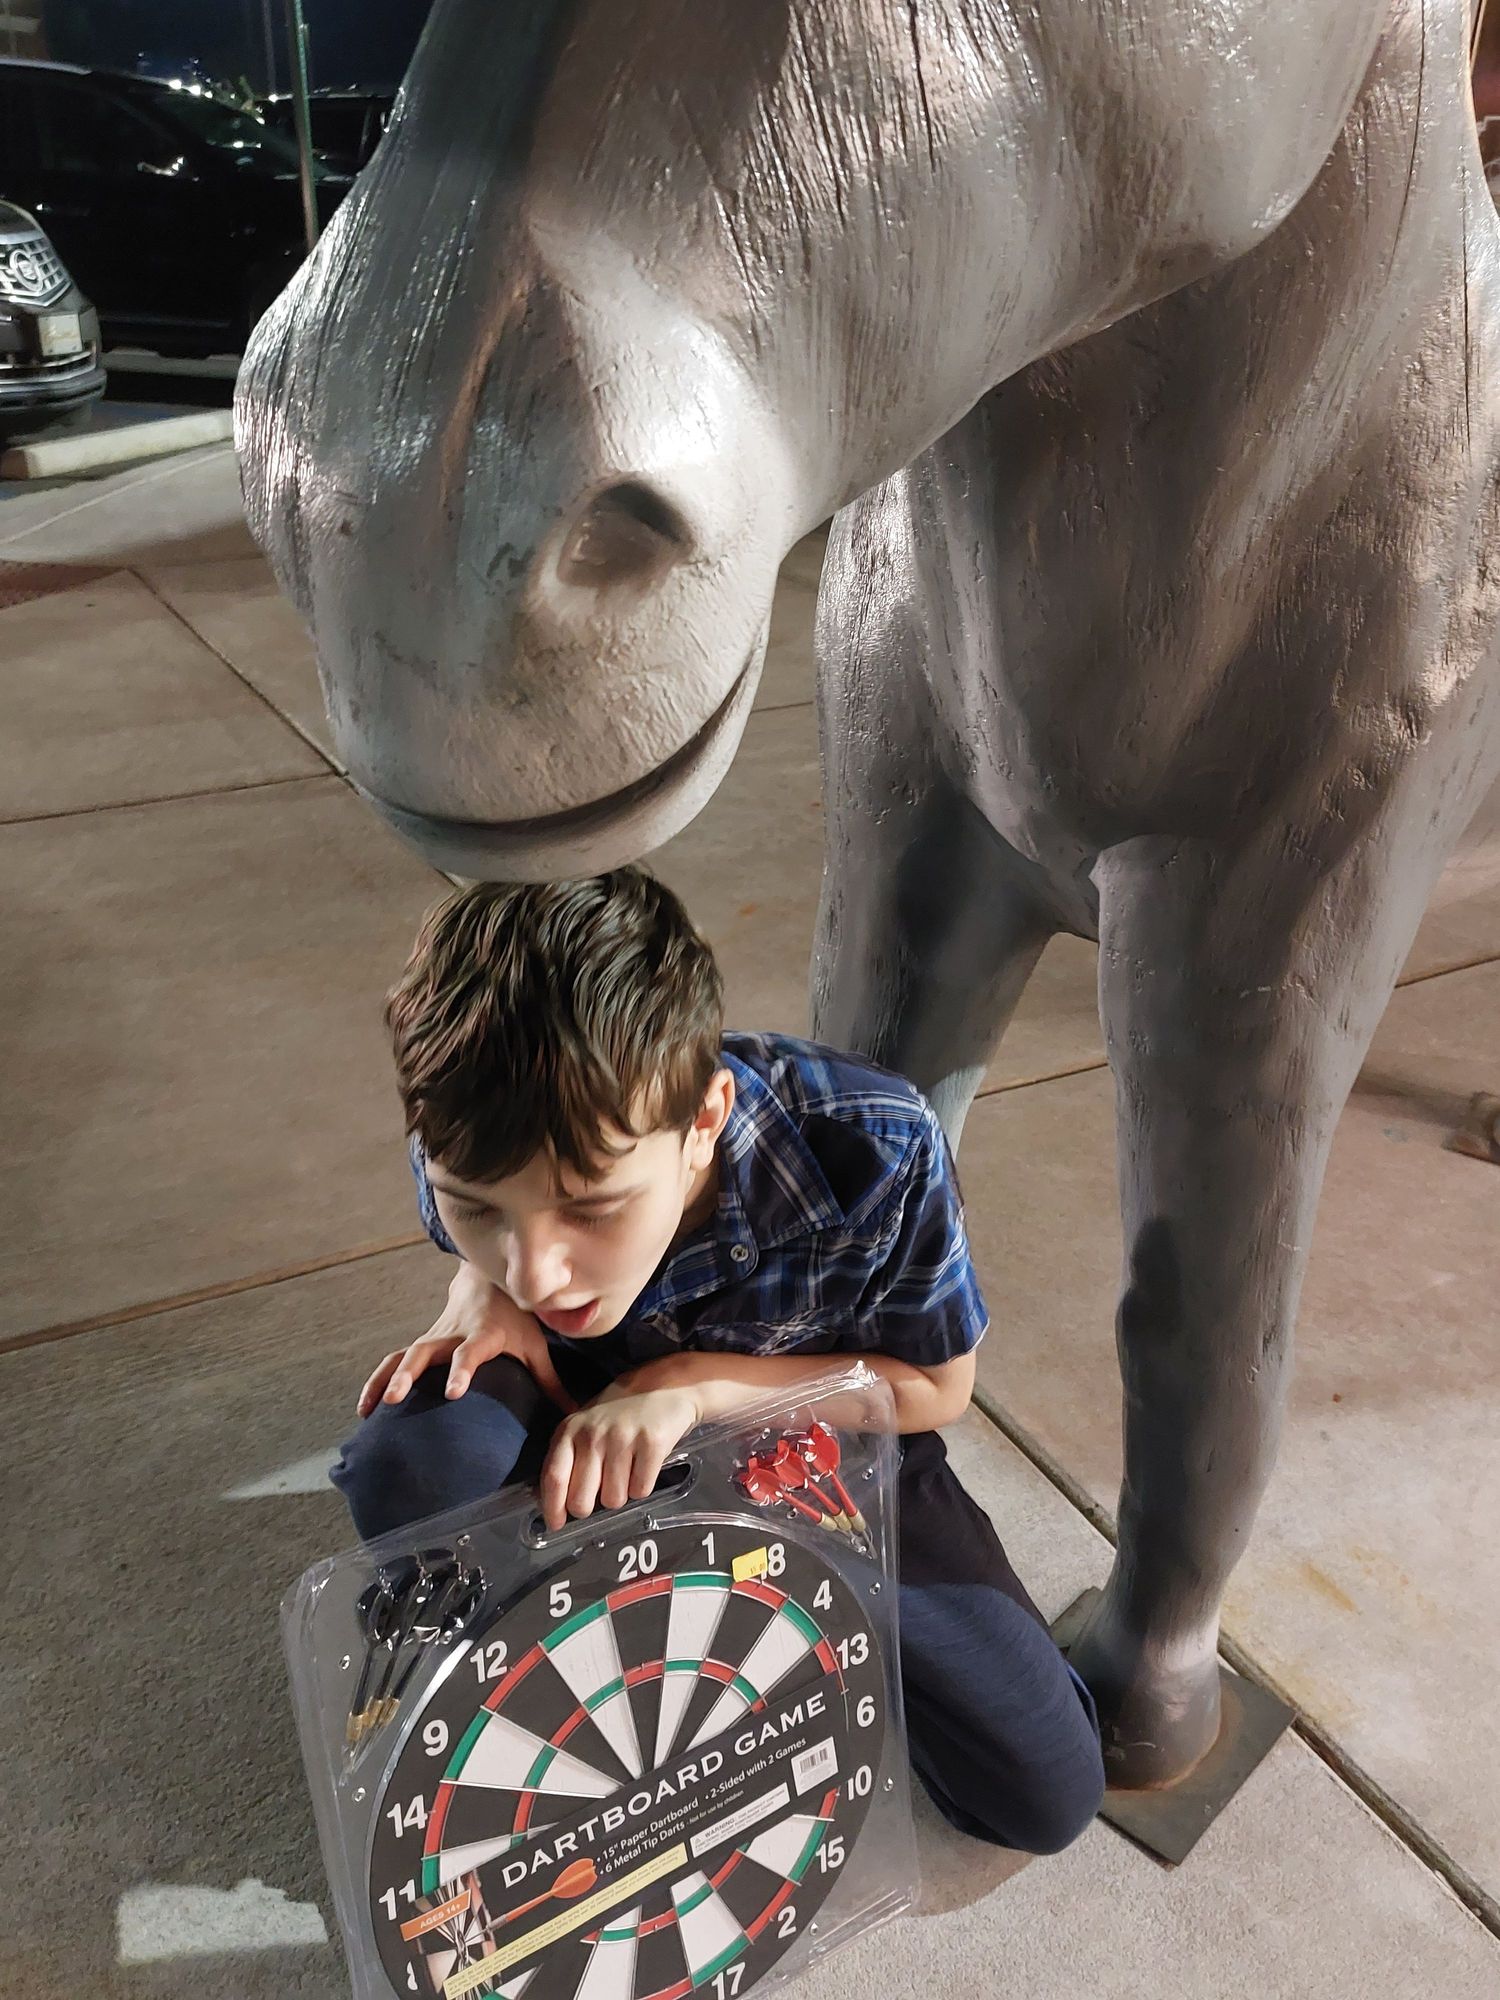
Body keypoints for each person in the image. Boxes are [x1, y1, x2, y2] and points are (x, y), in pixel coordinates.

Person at [332, 869, 1105, 1854]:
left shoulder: (878, 1146)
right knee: (417, 1459)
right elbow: (497, 1244)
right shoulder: (471, 1107)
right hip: (575, 1410)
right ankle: (536, 1653)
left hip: (809, 1437)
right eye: (478, 1207)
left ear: (704, 1122)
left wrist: (695, 1388)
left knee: (1046, 1793)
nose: (537, 1270)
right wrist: (475, 1292)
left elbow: (936, 1389)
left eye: (592, 1208)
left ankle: (764, 1637)